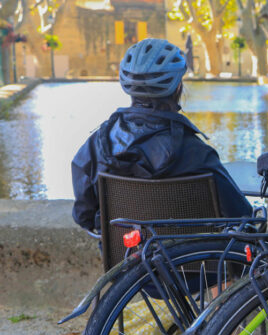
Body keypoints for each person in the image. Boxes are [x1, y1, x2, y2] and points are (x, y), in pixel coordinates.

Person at [71, 38, 252, 233]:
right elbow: (241, 216)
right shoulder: (195, 151)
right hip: (191, 262)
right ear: (177, 87)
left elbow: (84, 216)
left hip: (125, 259)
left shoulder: (98, 143)